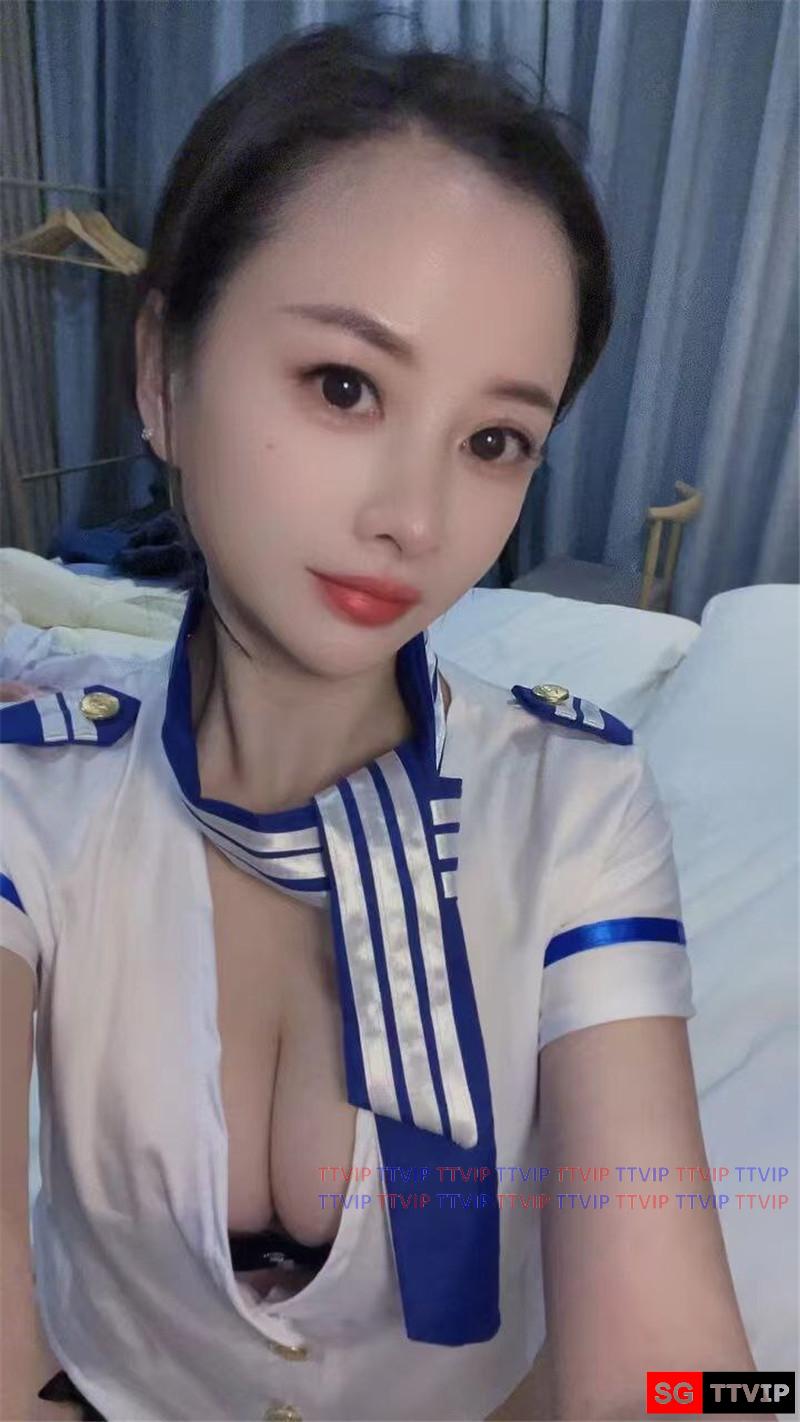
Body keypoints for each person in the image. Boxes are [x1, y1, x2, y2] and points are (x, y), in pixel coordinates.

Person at [1, 14, 762, 1422]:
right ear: (162, 370)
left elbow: (681, 1363)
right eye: (344, 386)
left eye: (494, 441)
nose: (417, 518)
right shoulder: (29, 806)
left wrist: (749, 1403)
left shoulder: (572, 805)